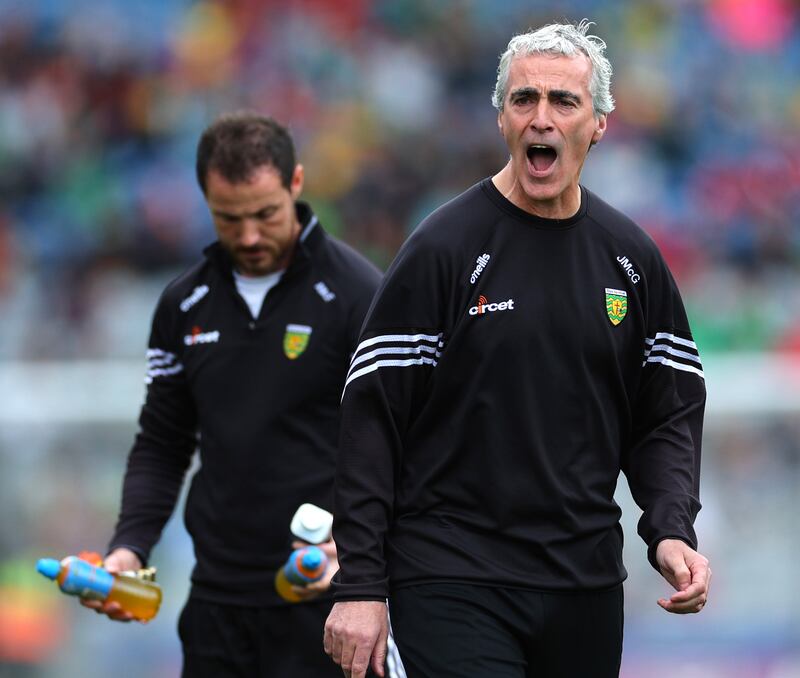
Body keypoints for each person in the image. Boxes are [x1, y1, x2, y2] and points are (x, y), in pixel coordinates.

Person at [323, 20, 711, 678]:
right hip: (452, 578)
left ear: (600, 124)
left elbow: (667, 415)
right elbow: (371, 422)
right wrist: (361, 582)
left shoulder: (633, 262)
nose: (542, 118)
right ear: (501, 117)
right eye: (524, 99)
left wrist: (670, 527)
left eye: (564, 101)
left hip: (584, 586)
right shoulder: (442, 249)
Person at [82, 111, 384, 677]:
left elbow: (402, 441)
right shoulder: (183, 305)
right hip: (218, 601)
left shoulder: (358, 294)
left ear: (296, 184)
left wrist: (362, 556)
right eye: (228, 218)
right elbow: (163, 443)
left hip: (330, 600)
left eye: (266, 214)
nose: (248, 236)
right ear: (204, 199)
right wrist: (131, 547)